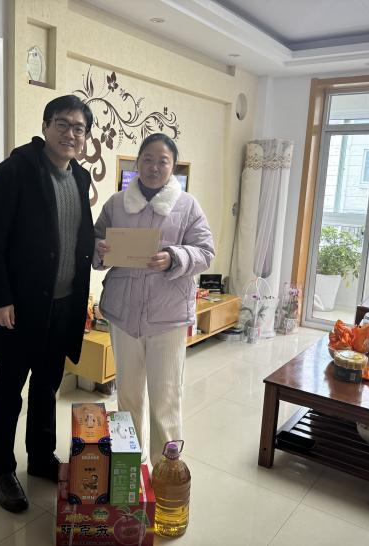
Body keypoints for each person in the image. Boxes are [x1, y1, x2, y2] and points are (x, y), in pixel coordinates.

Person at [0, 95, 95, 513]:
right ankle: (2, 470)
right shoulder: (14, 172)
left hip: (63, 305)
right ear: (45, 127)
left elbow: (76, 233)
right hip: (20, 307)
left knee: (47, 386)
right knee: (9, 389)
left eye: (79, 128)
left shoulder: (80, 177)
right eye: (62, 124)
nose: (70, 134)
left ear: (85, 137)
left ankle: (40, 457)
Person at [93, 134, 215, 466]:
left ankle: (165, 470)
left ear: (173, 167)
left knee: (165, 397)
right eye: (147, 159)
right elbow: (95, 242)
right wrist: (98, 249)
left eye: (163, 161)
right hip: (124, 315)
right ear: (137, 163)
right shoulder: (117, 203)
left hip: (167, 317)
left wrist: (175, 257)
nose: (154, 167)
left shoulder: (187, 205)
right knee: (128, 395)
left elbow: (206, 252)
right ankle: (129, 467)